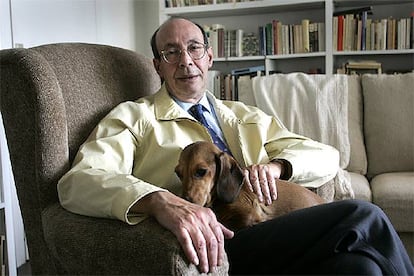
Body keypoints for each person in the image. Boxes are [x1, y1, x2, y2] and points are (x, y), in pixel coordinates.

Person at [58, 17, 413, 275]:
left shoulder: (244, 115)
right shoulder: (135, 116)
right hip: (221, 239)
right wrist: (157, 200)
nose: (186, 60)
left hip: (274, 228)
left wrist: (277, 167)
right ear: (158, 67)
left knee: (360, 267)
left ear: (209, 58)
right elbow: (79, 181)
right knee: (364, 215)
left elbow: (327, 156)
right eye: (171, 53)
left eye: (194, 48)